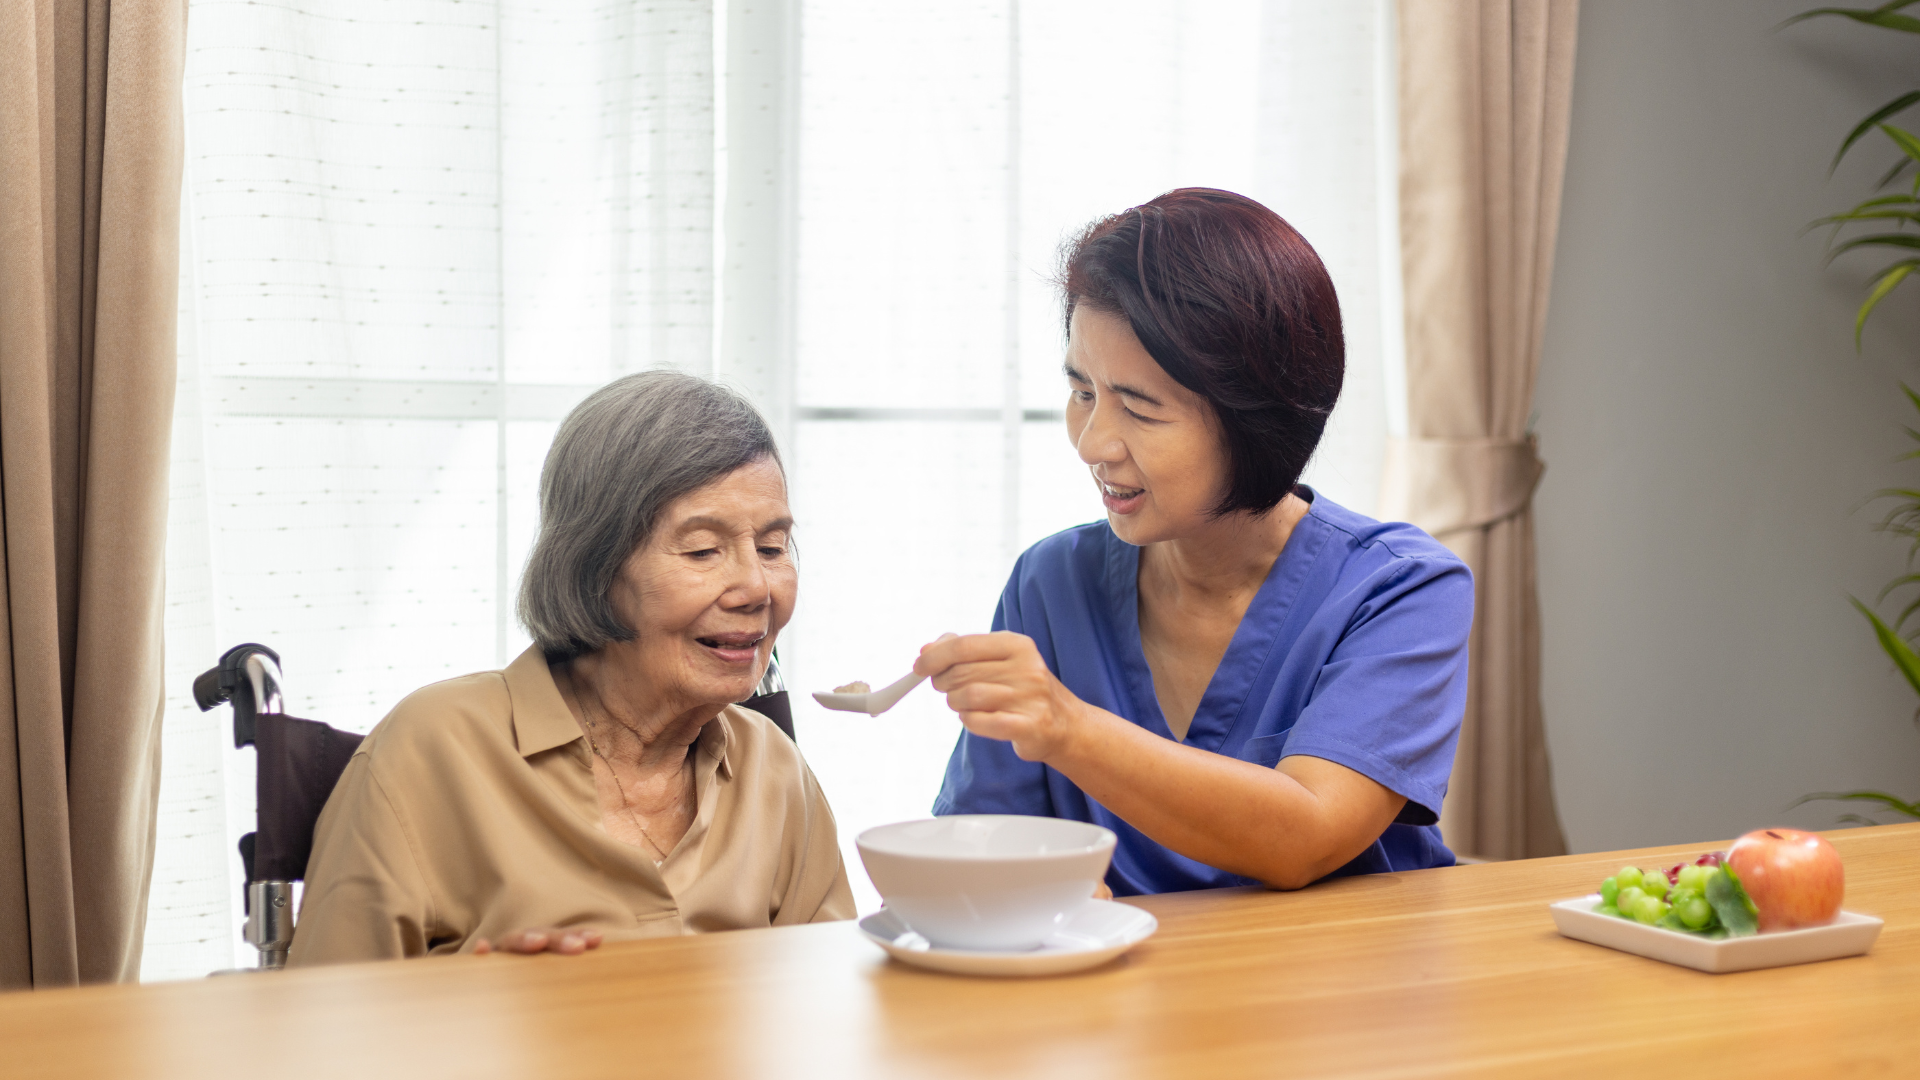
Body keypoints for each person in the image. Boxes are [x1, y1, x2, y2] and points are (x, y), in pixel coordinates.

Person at [924, 188, 1472, 895]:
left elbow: (1305, 836)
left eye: (1140, 408)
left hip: (1347, 992)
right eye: (1083, 392)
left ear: (1254, 419)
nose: (1094, 444)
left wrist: (1068, 727)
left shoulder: (1402, 588)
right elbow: (986, 844)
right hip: (1127, 991)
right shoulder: (1051, 583)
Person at [290, 372, 853, 964]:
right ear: (594, 566)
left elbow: (827, 1004)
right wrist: (470, 1006)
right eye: (702, 551)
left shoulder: (774, 769)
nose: (756, 588)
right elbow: (322, 1027)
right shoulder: (432, 749)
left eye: (771, 548)